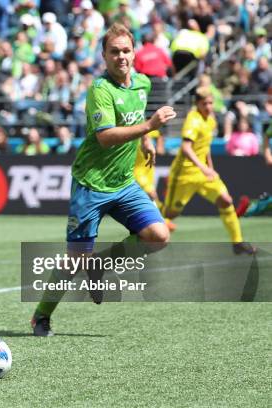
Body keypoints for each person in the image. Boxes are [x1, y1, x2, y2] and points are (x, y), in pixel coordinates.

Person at [31, 23, 176, 337]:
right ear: (104, 55)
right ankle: (41, 315)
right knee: (73, 261)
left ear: (133, 52)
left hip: (124, 184)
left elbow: (135, 117)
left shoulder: (142, 84)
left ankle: (101, 264)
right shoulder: (100, 89)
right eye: (114, 51)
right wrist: (150, 127)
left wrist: (147, 138)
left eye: (126, 50)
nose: (121, 57)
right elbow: (107, 137)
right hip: (91, 185)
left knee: (158, 236)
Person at [162, 87, 255, 255]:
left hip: (203, 173)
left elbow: (205, 148)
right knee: (170, 214)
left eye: (211, 103)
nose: (208, 106)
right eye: (204, 103)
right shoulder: (193, 120)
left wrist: (210, 168)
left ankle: (237, 242)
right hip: (184, 175)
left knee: (226, 200)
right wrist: (204, 167)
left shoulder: (210, 120)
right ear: (197, 103)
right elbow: (186, 148)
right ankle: (142, 238)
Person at [133, 129, 176, 231]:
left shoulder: (148, 128)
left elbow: (159, 137)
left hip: (149, 170)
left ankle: (152, 223)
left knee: (150, 198)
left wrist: (160, 144)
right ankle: (163, 221)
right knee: (152, 195)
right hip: (136, 171)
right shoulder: (132, 130)